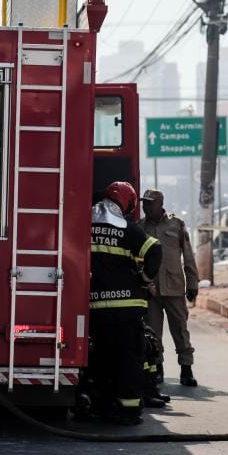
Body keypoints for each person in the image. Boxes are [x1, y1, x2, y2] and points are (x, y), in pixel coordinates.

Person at [89, 181, 161, 425]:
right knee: (129, 358)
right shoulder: (126, 228)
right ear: (127, 203)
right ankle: (129, 410)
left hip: (97, 307)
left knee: (102, 358)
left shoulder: (83, 222)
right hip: (128, 306)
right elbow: (155, 250)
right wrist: (145, 277)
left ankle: (102, 407)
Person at [138, 189, 200, 387]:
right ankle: (158, 369)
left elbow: (188, 256)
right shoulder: (139, 227)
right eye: (144, 203)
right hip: (151, 289)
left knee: (180, 330)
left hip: (174, 287)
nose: (145, 207)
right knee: (153, 333)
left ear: (160, 204)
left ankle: (186, 369)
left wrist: (193, 283)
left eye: (149, 203)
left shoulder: (176, 224)